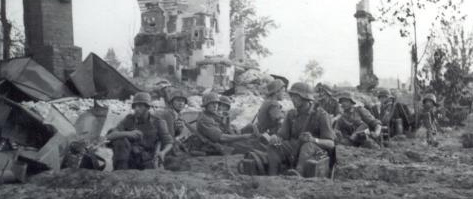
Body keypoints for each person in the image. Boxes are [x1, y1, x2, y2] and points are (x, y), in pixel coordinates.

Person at [266, 82, 336, 176]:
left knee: (307, 146)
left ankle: (297, 174)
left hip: (315, 151)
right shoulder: (291, 114)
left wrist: (313, 140)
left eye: (296, 96)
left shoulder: (321, 115)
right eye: (292, 96)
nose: (293, 99)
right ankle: (272, 177)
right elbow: (282, 136)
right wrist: (276, 138)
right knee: (274, 146)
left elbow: (331, 144)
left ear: (305, 98)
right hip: (294, 148)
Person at [106, 92, 173, 170]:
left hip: (146, 161)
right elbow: (109, 136)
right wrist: (127, 133)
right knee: (120, 140)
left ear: (147, 107)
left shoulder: (158, 122)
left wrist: (163, 153)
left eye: (140, 106)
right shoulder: (129, 119)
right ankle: (120, 172)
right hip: (128, 159)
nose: (136, 109)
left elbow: (169, 142)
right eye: (135, 106)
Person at [195, 92, 262, 155]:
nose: (215, 106)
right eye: (212, 103)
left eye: (216, 103)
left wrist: (228, 122)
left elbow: (228, 129)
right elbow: (222, 138)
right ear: (206, 105)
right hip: (221, 145)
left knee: (252, 131)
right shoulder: (204, 120)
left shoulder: (213, 115)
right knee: (253, 148)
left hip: (228, 140)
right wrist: (243, 136)